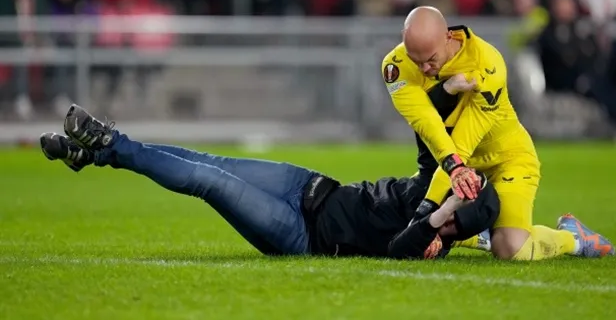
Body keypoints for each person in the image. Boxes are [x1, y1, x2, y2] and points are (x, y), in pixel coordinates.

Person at [39, 104, 501, 260]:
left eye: (462, 199)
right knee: (205, 160)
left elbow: (403, 247)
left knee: (208, 181)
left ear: (460, 220)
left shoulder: (427, 239)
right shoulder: (440, 176)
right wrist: (452, 92)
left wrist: (444, 216)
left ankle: (108, 144)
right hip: (309, 185)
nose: (457, 186)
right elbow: (429, 131)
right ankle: (97, 154)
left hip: (300, 233)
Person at [382, 6, 616, 260]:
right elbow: (427, 124)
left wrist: (424, 214)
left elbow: (461, 144)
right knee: (394, 223)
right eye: (417, 62)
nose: (425, 68)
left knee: (511, 249)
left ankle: (572, 238)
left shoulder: (486, 64)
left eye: (431, 59)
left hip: (506, 160)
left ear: (448, 36)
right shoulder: (395, 67)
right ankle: (477, 233)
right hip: (454, 165)